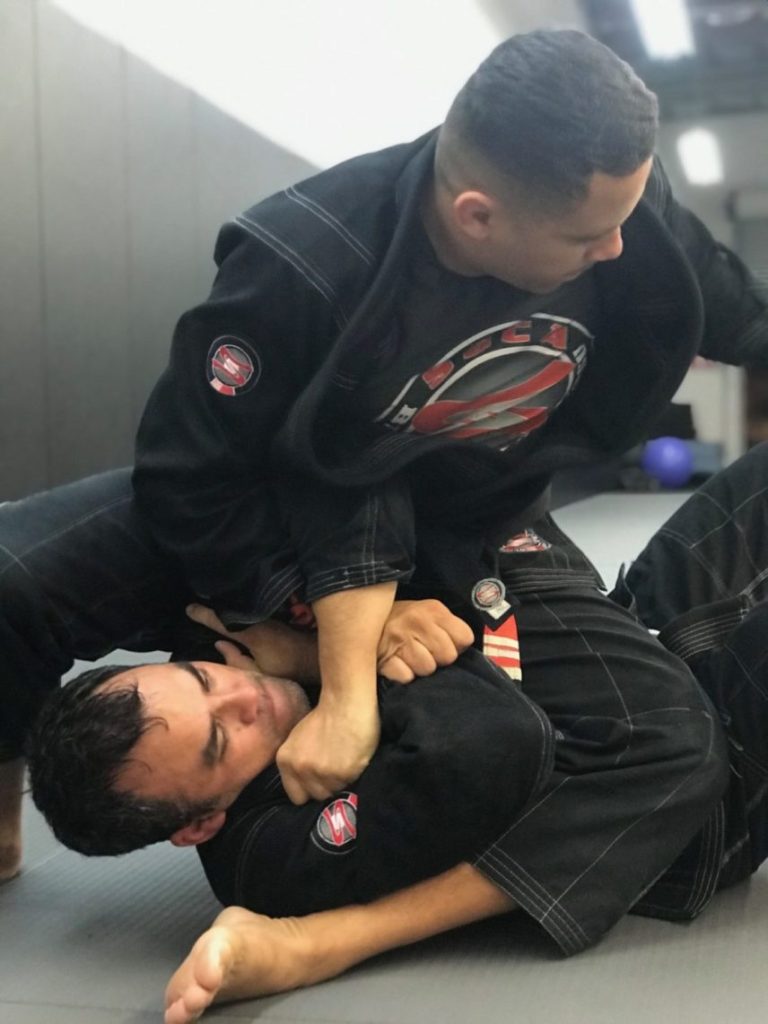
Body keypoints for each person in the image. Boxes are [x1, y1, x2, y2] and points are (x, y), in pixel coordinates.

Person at [0, 22, 766, 956]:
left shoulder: (615, 207)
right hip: (270, 521)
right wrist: (315, 626)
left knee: (654, 720)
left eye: (628, 214)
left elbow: (723, 296)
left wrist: (338, 653)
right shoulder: (306, 262)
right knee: (14, 577)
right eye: (586, 234)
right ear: (478, 215)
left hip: (467, 519)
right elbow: (192, 477)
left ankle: (633, 644)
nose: (618, 244)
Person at [25, 442, 768, 1024]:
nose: (245, 694)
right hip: (663, 795)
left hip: (612, 640)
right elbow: (493, 739)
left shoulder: (233, 654)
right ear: (199, 823)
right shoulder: (266, 856)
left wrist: (330, 646)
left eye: (203, 678)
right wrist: (347, 655)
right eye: (221, 739)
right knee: (682, 740)